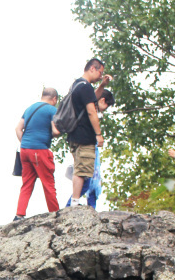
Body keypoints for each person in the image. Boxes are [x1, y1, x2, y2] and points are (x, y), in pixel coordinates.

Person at [64, 59, 114, 207]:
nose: (100, 76)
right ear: (92, 68)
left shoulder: (77, 85)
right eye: (100, 72)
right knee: (83, 172)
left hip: (73, 134)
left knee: (81, 169)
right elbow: (92, 111)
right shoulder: (85, 87)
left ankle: (74, 201)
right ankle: (74, 203)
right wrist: (98, 134)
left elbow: (92, 97)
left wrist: (103, 85)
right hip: (84, 136)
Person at [13, 88, 60, 221]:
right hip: (39, 150)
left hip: (24, 150)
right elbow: (55, 131)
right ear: (54, 99)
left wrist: (25, 143)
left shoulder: (29, 109)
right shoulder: (51, 110)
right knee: (48, 183)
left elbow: (17, 128)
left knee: (27, 183)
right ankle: (55, 214)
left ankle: (19, 214)